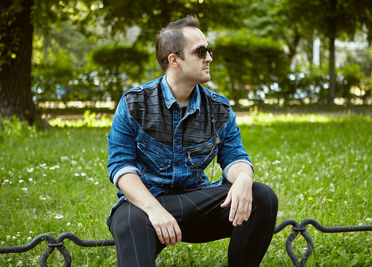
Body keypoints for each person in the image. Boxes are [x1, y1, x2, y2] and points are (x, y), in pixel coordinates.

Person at [107, 15, 278, 267]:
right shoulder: (135, 104)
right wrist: (155, 211)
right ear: (174, 60)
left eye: (209, 50)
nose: (209, 58)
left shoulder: (219, 108)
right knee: (130, 220)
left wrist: (244, 178)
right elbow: (121, 168)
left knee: (262, 196)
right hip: (145, 208)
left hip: (195, 204)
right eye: (200, 51)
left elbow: (235, 157)